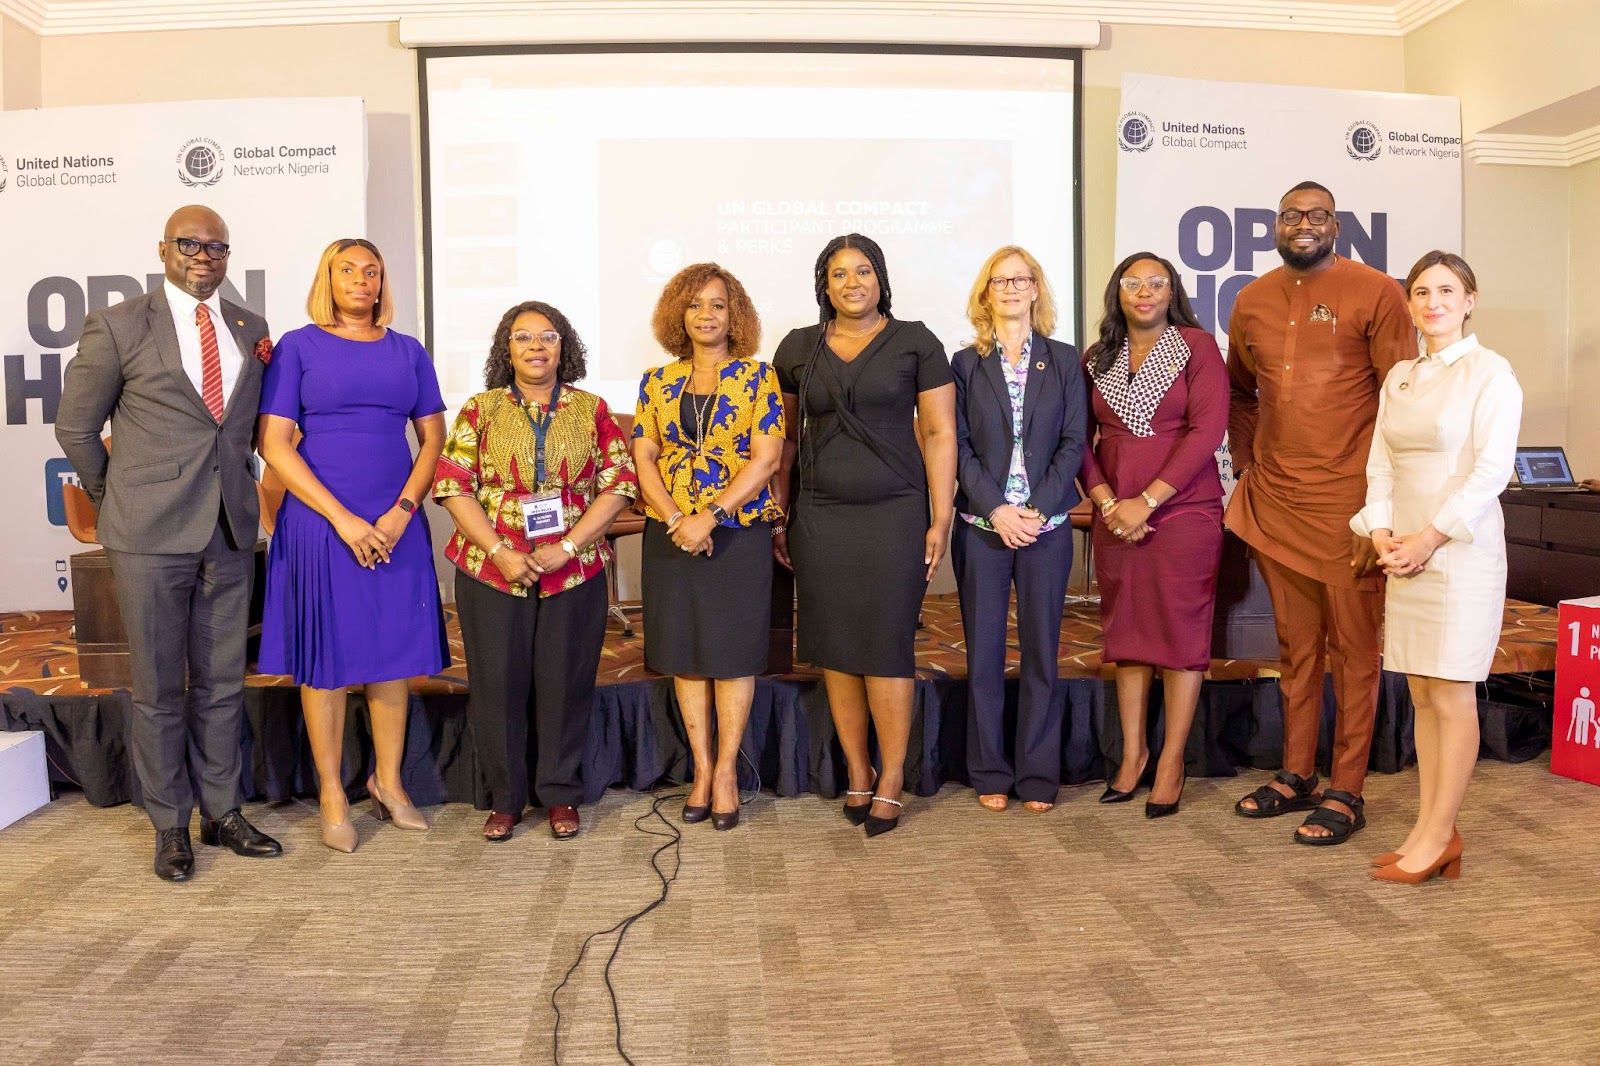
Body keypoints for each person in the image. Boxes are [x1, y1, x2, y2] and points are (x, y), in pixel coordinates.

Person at [55, 205, 282, 881]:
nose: (204, 256)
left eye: (217, 247)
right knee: (157, 688)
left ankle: (222, 811)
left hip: (229, 530)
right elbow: (75, 429)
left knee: (219, 683)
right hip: (148, 534)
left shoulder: (251, 328)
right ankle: (167, 825)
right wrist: (115, 502)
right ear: (163, 249)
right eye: (190, 244)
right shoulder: (120, 323)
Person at [1227, 181, 1415, 845]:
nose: (1302, 224)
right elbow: (1240, 395)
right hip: (1277, 502)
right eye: (1289, 215)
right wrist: (1247, 464)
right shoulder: (1250, 300)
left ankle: (1348, 789)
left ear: (1337, 224)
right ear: (1274, 226)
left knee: (1356, 653)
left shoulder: (1378, 291)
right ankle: (1296, 773)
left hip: (1352, 509)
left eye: (1315, 215)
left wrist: (1385, 508)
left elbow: (1404, 400)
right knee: (1295, 650)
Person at [256, 238, 449, 853]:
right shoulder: (297, 347)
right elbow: (276, 445)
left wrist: (400, 514)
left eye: (372, 271)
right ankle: (334, 793)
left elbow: (434, 441)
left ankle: (389, 782)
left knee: (391, 656)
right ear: (328, 279)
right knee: (327, 663)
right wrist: (342, 519)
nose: (361, 281)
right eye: (348, 270)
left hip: (395, 523)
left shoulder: (408, 351)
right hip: (322, 524)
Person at [772, 234, 957, 836]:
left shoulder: (917, 342)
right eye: (838, 273)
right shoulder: (797, 347)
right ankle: (856, 769)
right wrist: (781, 510)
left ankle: (893, 777)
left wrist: (941, 515)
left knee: (885, 646)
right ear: (823, 284)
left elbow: (938, 434)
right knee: (837, 650)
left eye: (864, 271)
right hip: (820, 517)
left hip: (894, 514)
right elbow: (786, 441)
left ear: (881, 278)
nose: (852, 282)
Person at [434, 301, 637, 842]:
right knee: (497, 685)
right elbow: (453, 486)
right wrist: (501, 550)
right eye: (522, 338)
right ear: (507, 349)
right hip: (491, 567)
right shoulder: (480, 409)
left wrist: (569, 545)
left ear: (563, 346)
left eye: (547, 337)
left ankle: (561, 794)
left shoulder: (592, 409)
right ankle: (505, 799)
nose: (535, 347)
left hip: (574, 569)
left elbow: (619, 484)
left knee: (565, 683)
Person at [1352, 251, 1521, 884]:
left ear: (1470, 299)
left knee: (1451, 694)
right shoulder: (1400, 374)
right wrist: (1383, 531)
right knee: (1421, 693)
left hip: (1459, 553)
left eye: (1446, 291)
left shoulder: (1491, 373)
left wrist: (1429, 536)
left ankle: (1442, 834)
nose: (1433, 303)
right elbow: (1380, 466)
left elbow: (1491, 473)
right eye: (1421, 292)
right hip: (1405, 552)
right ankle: (1429, 830)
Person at [632, 264, 784, 831]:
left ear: (734, 315)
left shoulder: (757, 378)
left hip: (736, 532)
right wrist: (677, 519)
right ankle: (699, 769)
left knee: (732, 653)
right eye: (695, 305)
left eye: (717, 305)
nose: (706, 315)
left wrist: (711, 516)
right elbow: (643, 457)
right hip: (671, 533)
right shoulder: (655, 381)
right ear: (679, 315)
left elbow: (766, 457)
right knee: (686, 654)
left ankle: (726, 773)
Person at [1080, 253, 1228, 818]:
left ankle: (1171, 760)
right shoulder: (1096, 357)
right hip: (1115, 511)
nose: (1144, 292)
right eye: (1132, 283)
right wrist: (1107, 502)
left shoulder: (1197, 346)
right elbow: (1080, 438)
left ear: (1172, 292)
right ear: (1117, 292)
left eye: (1156, 283)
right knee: (1127, 632)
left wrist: (1149, 499)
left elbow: (1207, 429)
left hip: (1182, 509)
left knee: (1180, 631)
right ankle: (1133, 753)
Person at [950, 246, 1085, 814]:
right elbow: (955, 446)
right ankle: (989, 771)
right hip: (983, 525)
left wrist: (1034, 508)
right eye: (999, 280)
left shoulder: (1065, 359)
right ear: (986, 293)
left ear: (1036, 290)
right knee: (982, 655)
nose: (1009, 288)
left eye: (1020, 279)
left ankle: (1037, 776)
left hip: (1046, 526)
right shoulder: (962, 364)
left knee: (1041, 654)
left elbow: (1074, 441)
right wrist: (999, 509)